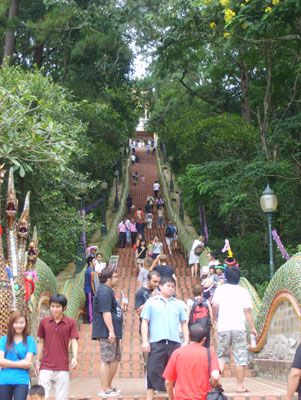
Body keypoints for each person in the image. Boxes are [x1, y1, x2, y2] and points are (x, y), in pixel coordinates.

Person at [141, 276, 189, 400]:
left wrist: (186, 342)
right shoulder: (151, 302)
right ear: (160, 286)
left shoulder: (178, 304)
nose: (171, 289)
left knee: (175, 374)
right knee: (152, 372)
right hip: (156, 342)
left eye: (173, 287)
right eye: (168, 286)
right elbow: (144, 322)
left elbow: (184, 324)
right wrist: (145, 341)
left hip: (174, 343)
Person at [212, 267, 257, 393]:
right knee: (240, 357)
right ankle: (240, 386)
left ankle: (216, 380)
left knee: (221, 355)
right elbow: (247, 311)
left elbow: (214, 305)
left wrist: (214, 320)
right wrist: (252, 328)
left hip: (224, 327)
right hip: (239, 327)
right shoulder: (243, 291)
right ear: (238, 278)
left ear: (226, 276)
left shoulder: (220, 289)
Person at [92, 267, 128, 397]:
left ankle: (109, 385)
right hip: (106, 331)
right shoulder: (103, 292)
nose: (117, 279)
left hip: (114, 330)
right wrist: (111, 331)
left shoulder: (109, 291)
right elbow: (105, 312)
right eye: (115, 276)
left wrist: (121, 310)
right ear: (108, 278)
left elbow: (111, 310)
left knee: (115, 358)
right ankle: (104, 389)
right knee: (107, 359)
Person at [36, 294, 79, 400]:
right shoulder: (44, 322)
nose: (54, 309)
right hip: (45, 365)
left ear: (64, 307)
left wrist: (75, 357)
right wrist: (37, 361)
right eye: (52, 306)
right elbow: (41, 342)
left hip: (62, 366)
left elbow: (74, 340)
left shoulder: (71, 323)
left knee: (61, 397)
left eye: (57, 306)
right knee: (41, 396)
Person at [163, 324, 220, 400]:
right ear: (204, 339)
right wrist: (213, 386)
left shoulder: (177, 353)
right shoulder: (209, 353)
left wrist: (171, 398)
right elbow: (215, 377)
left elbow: (168, 382)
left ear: (189, 335)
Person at [0, 311, 36, 400]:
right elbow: (0, 361)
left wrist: (7, 363)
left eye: (21, 323)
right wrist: (20, 364)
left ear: (25, 324)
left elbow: (27, 363)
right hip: (4, 380)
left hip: (22, 380)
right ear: (11, 324)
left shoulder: (30, 341)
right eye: (16, 323)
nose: (19, 326)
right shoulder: (4, 340)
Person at [84, 256, 96, 323]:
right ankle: (90, 319)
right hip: (89, 290)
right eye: (94, 261)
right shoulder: (90, 271)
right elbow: (91, 282)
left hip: (89, 289)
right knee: (90, 304)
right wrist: (94, 291)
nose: (95, 262)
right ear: (90, 262)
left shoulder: (91, 269)